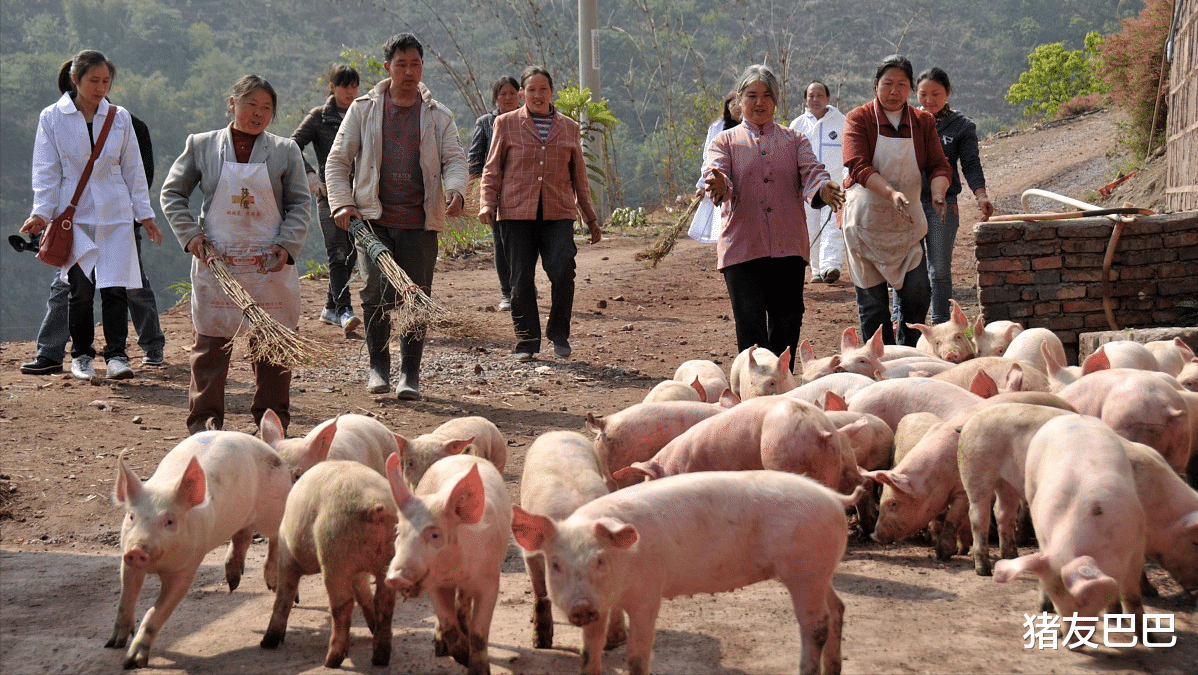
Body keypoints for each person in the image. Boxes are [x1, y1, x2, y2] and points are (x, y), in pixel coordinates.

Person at [160, 74, 310, 435]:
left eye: (266, 108)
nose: (258, 114)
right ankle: (205, 427)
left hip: (267, 264)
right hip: (218, 261)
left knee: (273, 346)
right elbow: (172, 194)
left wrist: (286, 245)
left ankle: (272, 426)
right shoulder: (202, 145)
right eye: (250, 105)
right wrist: (191, 235)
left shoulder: (286, 150)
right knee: (211, 345)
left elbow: (300, 204)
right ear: (232, 104)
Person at [326, 33, 468, 399]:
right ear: (387, 66)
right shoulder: (364, 109)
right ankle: (378, 367)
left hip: (420, 223)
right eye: (401, 64)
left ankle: (410, 374)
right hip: (373, 220)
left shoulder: (438, 116)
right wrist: (342, 203)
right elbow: (338, 161)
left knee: (416, 296)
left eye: (415, 64)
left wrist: (455, 190)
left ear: (423, 67)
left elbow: (454, 160)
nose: (409, 71)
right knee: (374, 291)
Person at [20, 50, 162, 382]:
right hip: (74, 212)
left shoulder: (120, 117)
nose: (100, 88)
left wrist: (145, 214)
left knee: (115, 288)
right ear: (75, 80)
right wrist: (41, 212)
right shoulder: (52, 117)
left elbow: (133, 169)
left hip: (115, 213)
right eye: (93, 81)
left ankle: (117, 355)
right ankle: (81, 355)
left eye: (105, 81)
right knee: (79, 289)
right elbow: (46, 169)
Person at [702, 64, 843, 363]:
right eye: (751, 95)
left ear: (776, 100)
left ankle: (782, 388)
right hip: (742, 248)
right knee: (750, 326)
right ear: (739, 101)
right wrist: (716, 184)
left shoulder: (794, 140)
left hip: (787, 246)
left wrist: (823, 189)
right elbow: (718, 175)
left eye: (767, 95)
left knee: (787, 322)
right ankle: (754, 398)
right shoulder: (724, 142)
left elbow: (812, 172)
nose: (759, 102)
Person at [479, 66, 603, 362]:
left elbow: (580, 178)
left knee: (562, 270)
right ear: (522, 94)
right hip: (514, 213)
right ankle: (527, 340)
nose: (537, 95)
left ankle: (558, 332)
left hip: (558, 211)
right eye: (531, 90)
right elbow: (492, 168)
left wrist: (590, 217)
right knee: (520, 278)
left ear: (552, 92)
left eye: (543, 89)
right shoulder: (506, 124)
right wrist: (487, 203)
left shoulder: (569, 127)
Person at [842, 54, 952, 346]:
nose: (894, 91)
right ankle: (879, 363)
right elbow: (858, 165)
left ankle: (907, 352)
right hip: (865, 224)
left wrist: (939, 193)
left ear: (910, 89)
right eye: (887, 83)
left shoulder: (922, 122)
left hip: (905, 225)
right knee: (874, 304)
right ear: (875, 85)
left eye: (902, 84)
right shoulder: (860, 118)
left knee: (918, 291)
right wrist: (891, 193)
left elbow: (939, 166)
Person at [916, 67, 995, 323]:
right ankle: (904, 325)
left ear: (947, 93)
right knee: (908, 270)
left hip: (943, 205)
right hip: (908, 205)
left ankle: (940, 325)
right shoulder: (907, 121)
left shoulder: (962, 126)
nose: (929, 100)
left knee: (938, 270)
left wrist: (981, 195)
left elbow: (971, 164)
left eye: (935, 94)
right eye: (923, 94)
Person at [291, 65, 362, 335]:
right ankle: (344, 310)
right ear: (332, 87)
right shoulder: (319, 117)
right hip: (329, 195)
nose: (350, 92)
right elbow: (292, 146)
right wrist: (310, 176)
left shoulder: (363, 113)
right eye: (345, 86)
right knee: (338, 252)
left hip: (359, 196)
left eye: (354, 86)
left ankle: (330, 307)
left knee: (354, 253)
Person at [468, 75, 521, 310]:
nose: (508, 98)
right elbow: (475, 160)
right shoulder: (485, 123)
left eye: (512, 93)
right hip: (496, 193)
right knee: (500, 242)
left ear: (520, 94)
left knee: (525, 243)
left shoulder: (529, 120)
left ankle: (523, 284)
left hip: (525, 191)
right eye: (503, 94)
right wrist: (478, 191)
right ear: (496, 98)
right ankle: (506, 293)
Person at [789, 80, 847, 284]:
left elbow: (848, 152)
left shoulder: (841, 122)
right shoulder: (797, 126)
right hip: (807, 188)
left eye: (820, 95)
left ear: (828, 98)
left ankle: (831, 266)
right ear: (805, 99)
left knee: (832, 225)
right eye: (811, 96)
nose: (815, 99)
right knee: (810, 228)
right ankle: (815, 269)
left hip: (835, 185)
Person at [688, 91, 741, 243]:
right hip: (721, 181)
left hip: (742, 181)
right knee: (723, 228)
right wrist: (703, 184)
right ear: (727, 106)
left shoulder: (749, 128)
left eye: (739, 103)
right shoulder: (717, 128)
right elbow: (708, 158)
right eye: (733, 104)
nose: (737, 107)